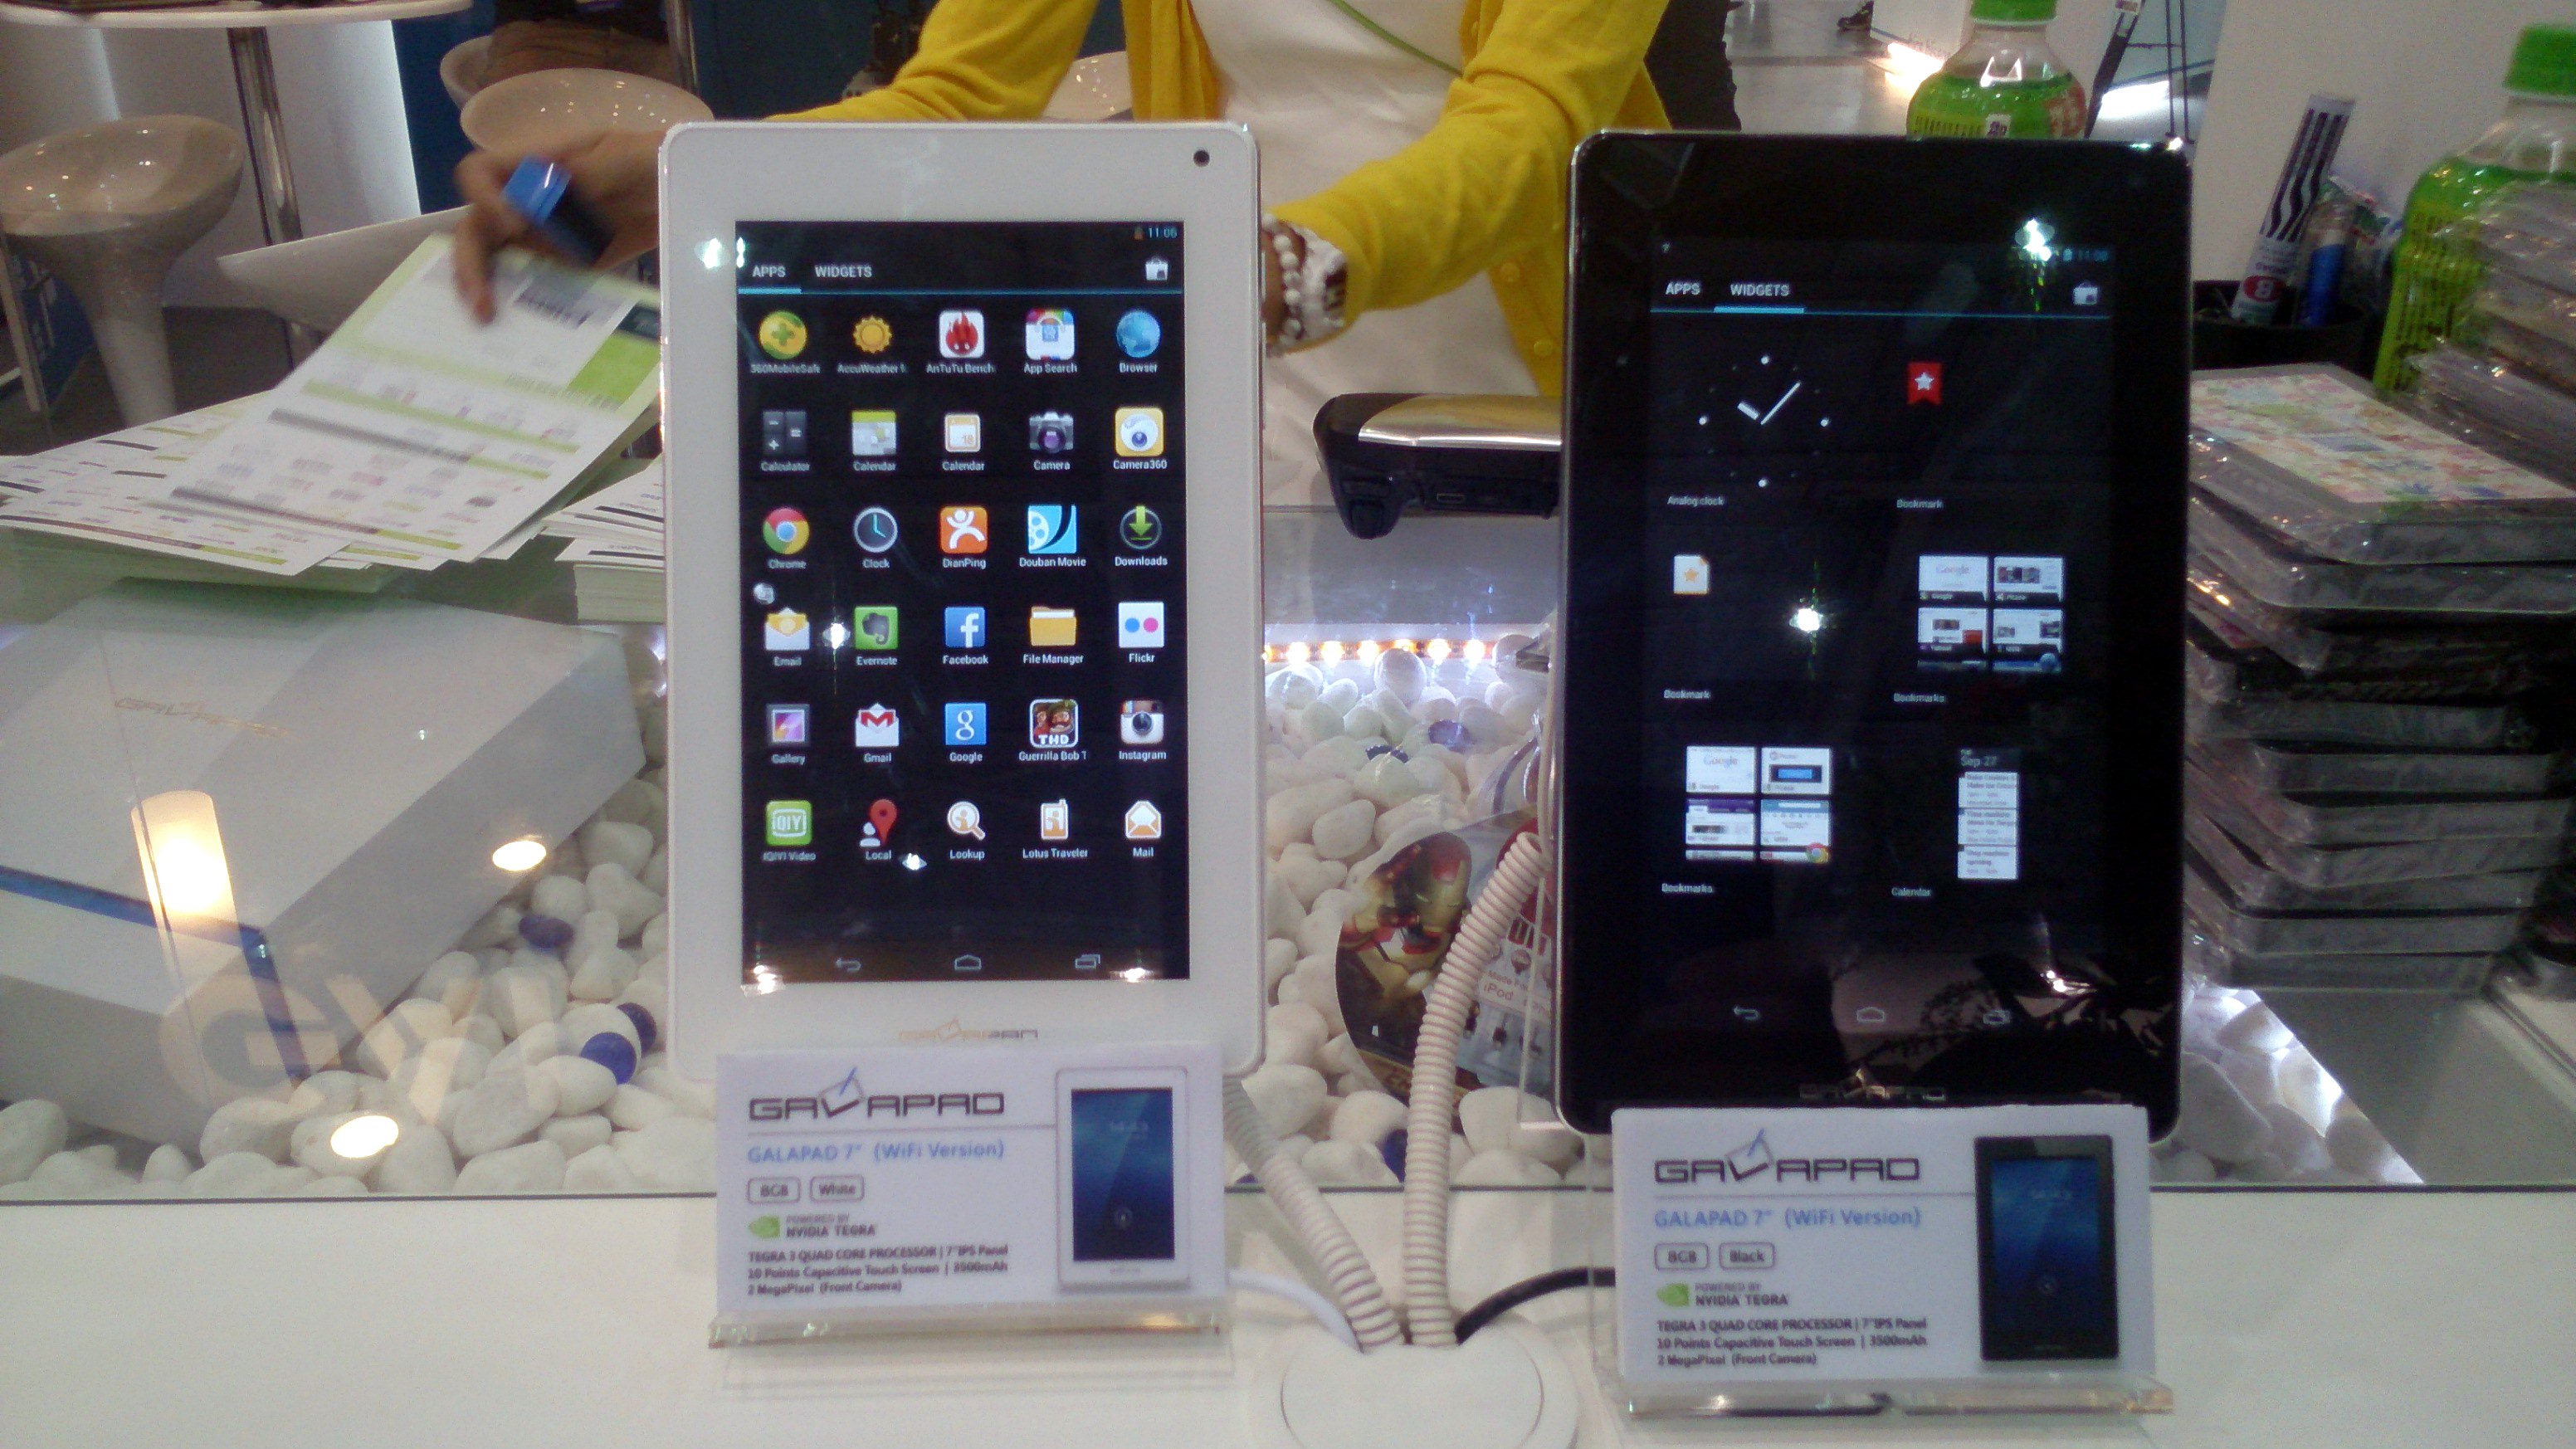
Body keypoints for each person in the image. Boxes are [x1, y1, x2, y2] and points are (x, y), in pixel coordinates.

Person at [454, 0, 1671, 503]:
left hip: (1527, 388)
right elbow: (957, 99)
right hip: (1249, 376)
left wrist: (1301, 267)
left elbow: (1535, 126)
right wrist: (690, 182)